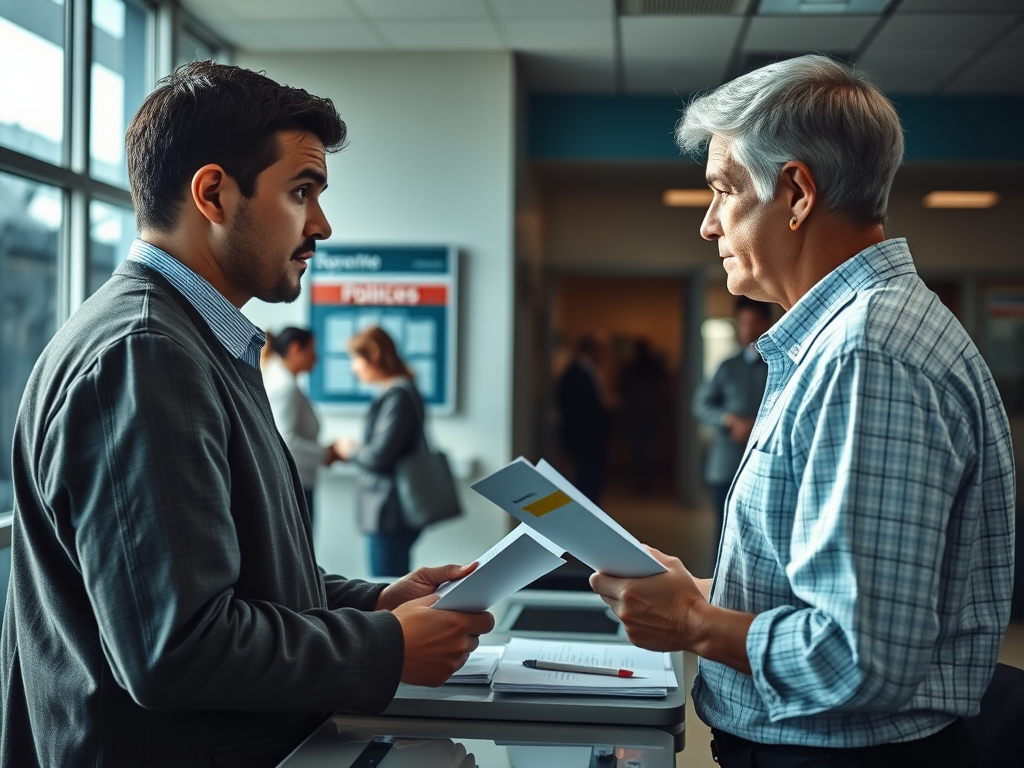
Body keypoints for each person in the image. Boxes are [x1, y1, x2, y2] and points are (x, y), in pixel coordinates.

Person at [0, 61, 493, 768]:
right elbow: (177, 647)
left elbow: (234, 580)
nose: (321, 224)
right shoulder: (145, 353)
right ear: (213, 194)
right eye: (302, 192)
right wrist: (387, 647)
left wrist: (377, 602)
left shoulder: (190, 340)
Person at [590, 55, 1014, 767]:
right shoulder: (844, 338)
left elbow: (859, 658)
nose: (708, 225)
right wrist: (705, 594)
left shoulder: (867, 352)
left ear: (794, 193)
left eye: (723, 190)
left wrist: (694, 623)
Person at [334, 326, 427, 577]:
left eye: (356, 359)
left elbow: (379, 456)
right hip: (389, 510)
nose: (354, 368)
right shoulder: (395, 392)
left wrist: (350, 450)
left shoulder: (398, 395)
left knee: (388, 588)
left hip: (391, 511)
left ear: (373, 356)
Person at [693, 296, 772, 542]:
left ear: (767, 322)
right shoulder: (727, 367)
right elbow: (700, 404)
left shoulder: (779, 364)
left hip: (764, 464)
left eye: (755, 321)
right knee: (724, 532)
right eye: (743, 322)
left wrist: (756, 427)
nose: (749, 328)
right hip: (726, 464)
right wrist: (729, 420)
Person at [263, 326, 345, 528]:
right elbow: (285, 443)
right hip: (293, 486)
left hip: (296, 483)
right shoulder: (285, 388)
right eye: (312, 350)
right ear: (295, 349)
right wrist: (326, 454)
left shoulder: (284, 381)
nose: (317, 358)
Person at [556, 331, 612, 504]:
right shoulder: (575, 372)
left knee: (593, 482)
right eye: (602, 349)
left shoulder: (588, 370)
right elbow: (577, 408)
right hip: (584, 439)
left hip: (592, 439)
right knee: (586, 484)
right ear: (593, 349)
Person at [618, 338, 668, 494]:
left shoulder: (630, 366)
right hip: (648, 411)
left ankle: (640, 481)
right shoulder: (652, 365)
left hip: (636, 411)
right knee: (645, 447)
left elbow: (623, 387)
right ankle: (643, 481)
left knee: (638, 447)